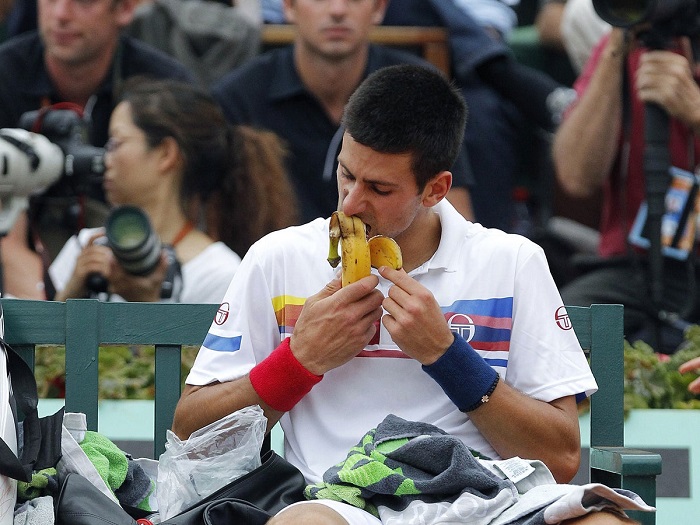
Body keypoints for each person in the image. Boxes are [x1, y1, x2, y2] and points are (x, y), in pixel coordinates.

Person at [172, 64, 647, 524]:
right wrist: (299, 361)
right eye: (346, 174)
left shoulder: (512, 261)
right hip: (337, 504)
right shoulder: (278, 258)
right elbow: (191, 437)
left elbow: (560, 458)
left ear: (435, 189)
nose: (351, 202)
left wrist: (446, 356)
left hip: (487, 501)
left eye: (379, 188)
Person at [211, 0, 475, 225]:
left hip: (393, 263)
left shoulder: (418, 91)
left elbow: (452, 218)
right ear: (289, 6)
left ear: (379, 8)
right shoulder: (238, 97)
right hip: (274, 265)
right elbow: (214, 223)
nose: (337, 10)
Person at [0, 0, 196, 300]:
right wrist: (53, 307)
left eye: (84, 1)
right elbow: (6, 239)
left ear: (125, 8)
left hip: (138, 258)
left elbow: (179, 212)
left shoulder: (163, 88)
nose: (61, 14)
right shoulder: (6, 75)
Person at [49, 77, 297, 303]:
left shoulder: (218, 275)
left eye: (116, 143)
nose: (105, 159)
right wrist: (71, 291)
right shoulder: (87, 248)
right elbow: (38, 341)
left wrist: (146, 302)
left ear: (166, 154)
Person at [551, 25, 700, 353]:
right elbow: (576, 177)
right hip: (635, 267)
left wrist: (695, 112)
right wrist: (616, 50)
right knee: (560, 338)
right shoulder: (626, 43)